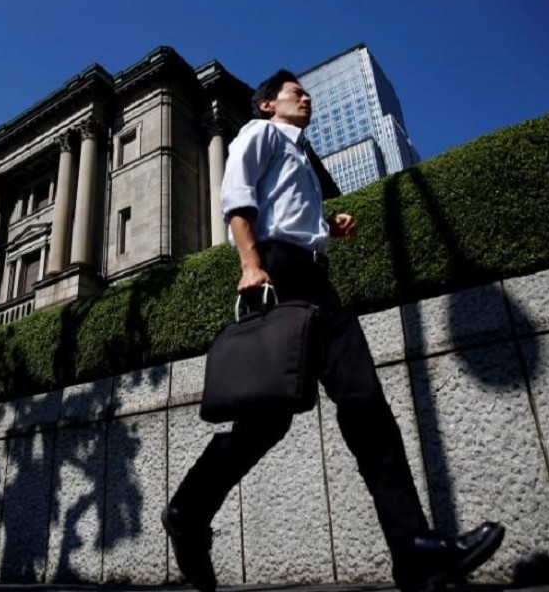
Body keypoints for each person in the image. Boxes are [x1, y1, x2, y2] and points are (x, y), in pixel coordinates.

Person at [162, 70, 505, 592]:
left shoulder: (300, 155)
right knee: (265, 425)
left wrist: (327, 229)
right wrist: (251, 264)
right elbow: (237, 199)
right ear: (266, 105)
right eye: (295, 93)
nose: (306, 97)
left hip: (316, 279)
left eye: (306, 93)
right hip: (277, 276)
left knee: (365, 405)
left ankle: (412, 549)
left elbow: (292, 215)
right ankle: (189, 512)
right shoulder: (259, 134)